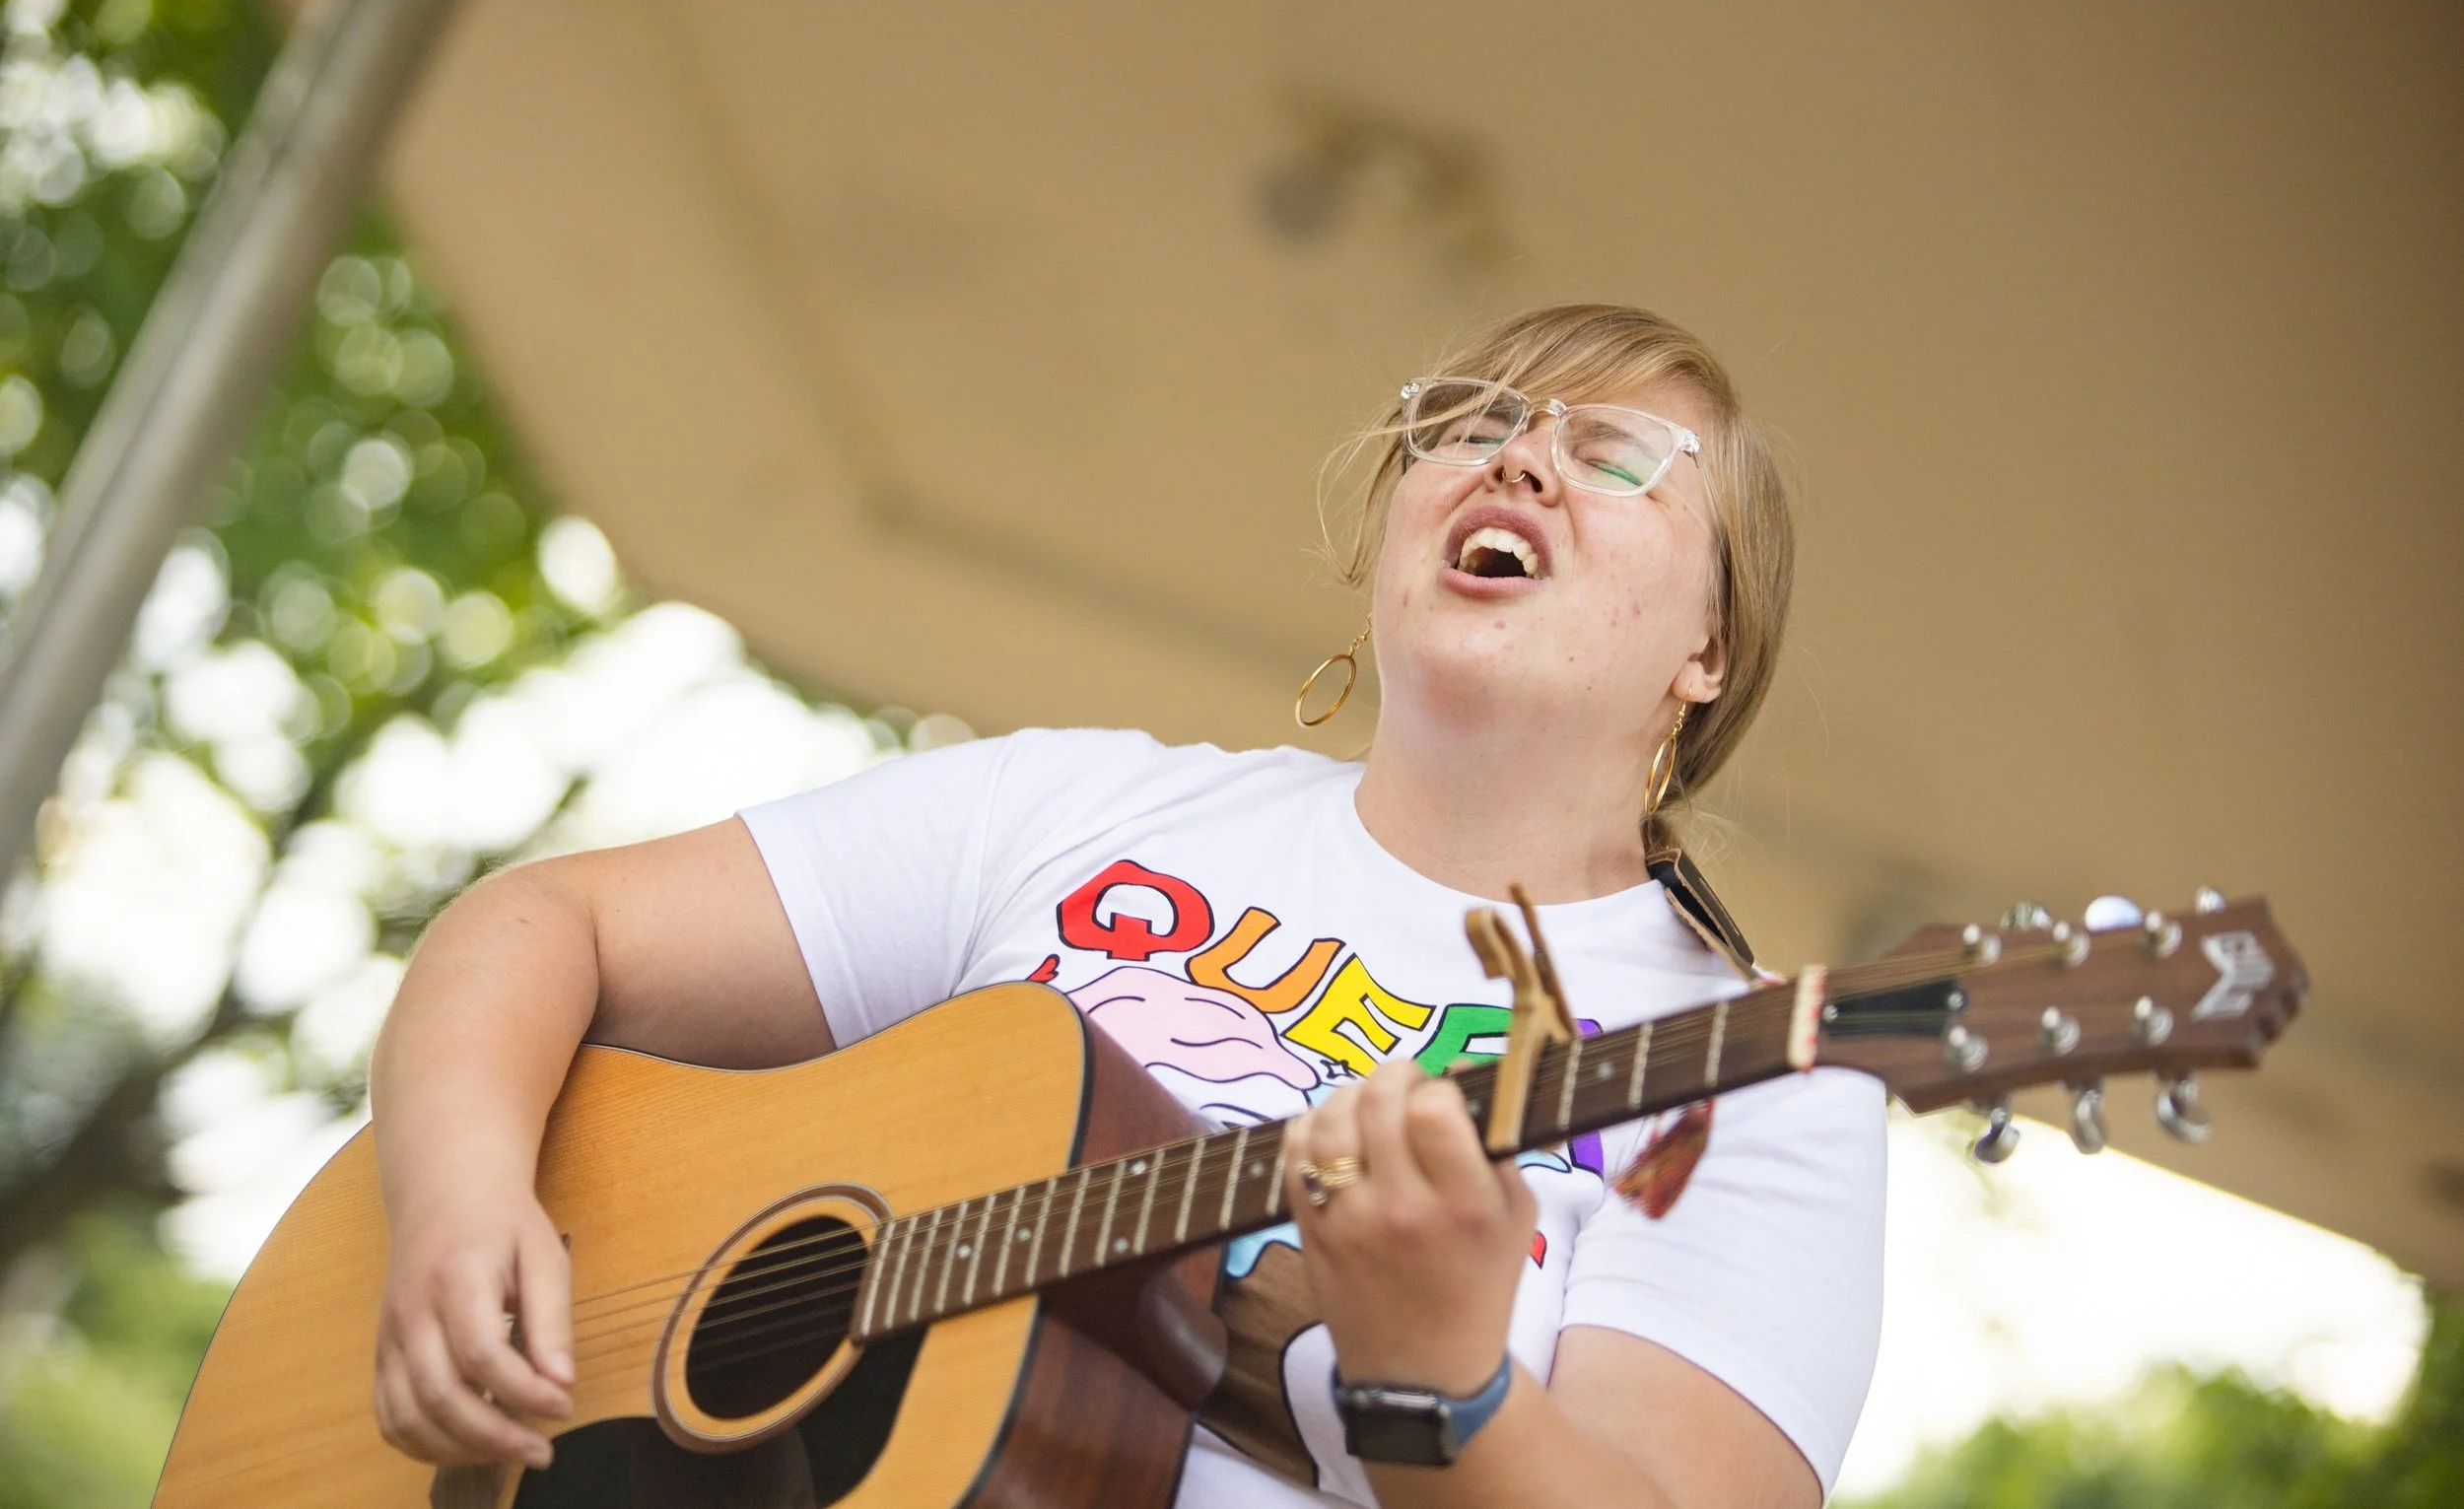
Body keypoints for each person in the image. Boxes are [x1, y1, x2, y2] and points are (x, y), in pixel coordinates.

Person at [370, 304, 1885, 1508]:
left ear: (1710, 644)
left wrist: (1448, 1380)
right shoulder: (1083, 808)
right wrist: (456, 1197)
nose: (1520, 458)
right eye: (1470, 425)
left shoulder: (1763, 1076)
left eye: (1618, 452)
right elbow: (539, 924)